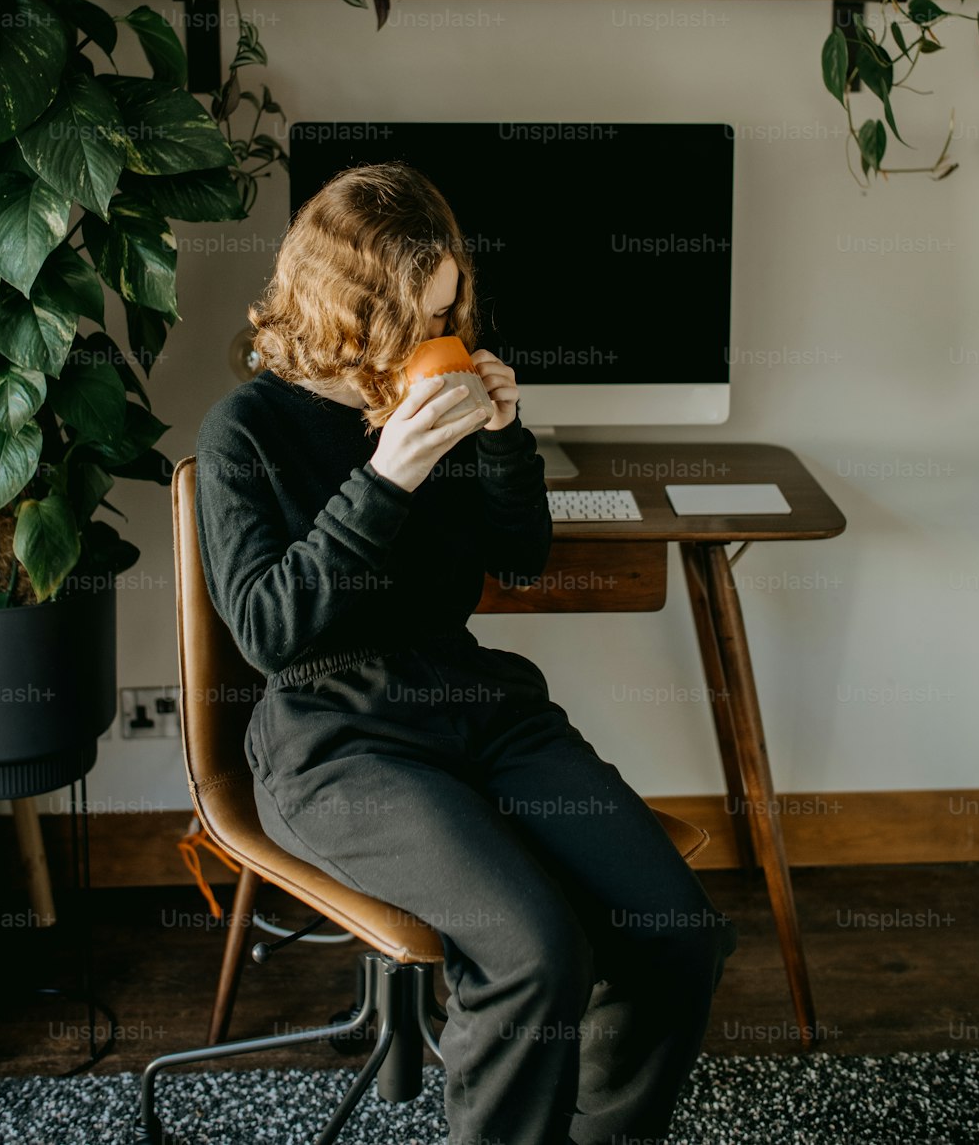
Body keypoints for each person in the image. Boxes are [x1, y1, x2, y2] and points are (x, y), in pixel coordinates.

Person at [194, 160, 737, 1145]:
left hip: (474, 702)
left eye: (448, 313)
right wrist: (388, 473)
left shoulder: (423, 387)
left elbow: (520, 557)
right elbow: (270, 630)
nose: (436, 340)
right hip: (333, 733)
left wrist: (501, 436)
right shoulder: (249, 431)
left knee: (680, 938)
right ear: (337, 307)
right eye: (416, 322)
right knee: (535, 956)